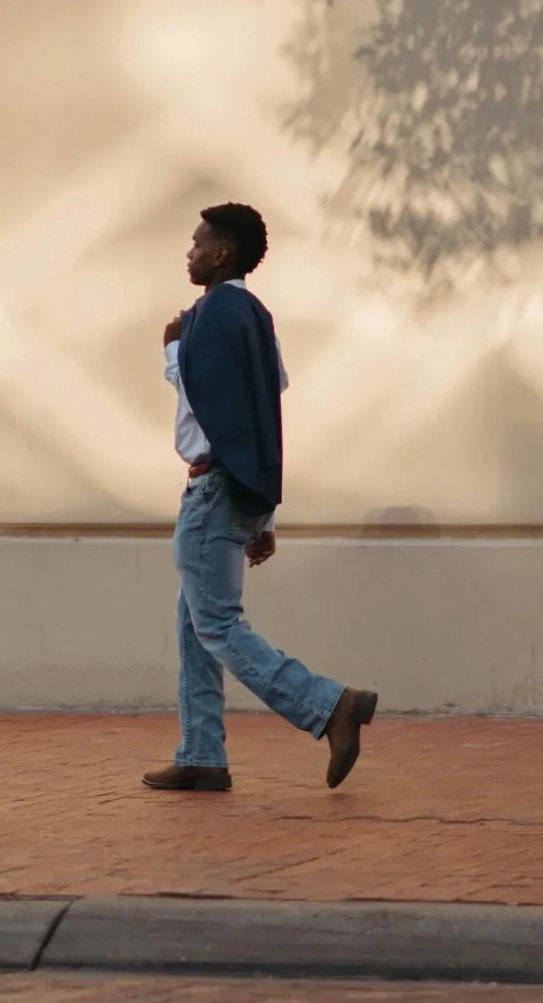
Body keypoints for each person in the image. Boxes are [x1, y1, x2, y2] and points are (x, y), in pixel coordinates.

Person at [143, 203, 378, 793]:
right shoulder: (253, 315)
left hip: (213, 484)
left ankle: (329, 706)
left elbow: (208, 399)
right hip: (236, 485)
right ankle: (201, 754)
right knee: (194, 621)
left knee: (216, 622)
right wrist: (262, 511)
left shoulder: (213, 313)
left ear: (222, 253)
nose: (190, 252)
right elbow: (264, 404)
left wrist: (173, 348)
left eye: (198, 243)